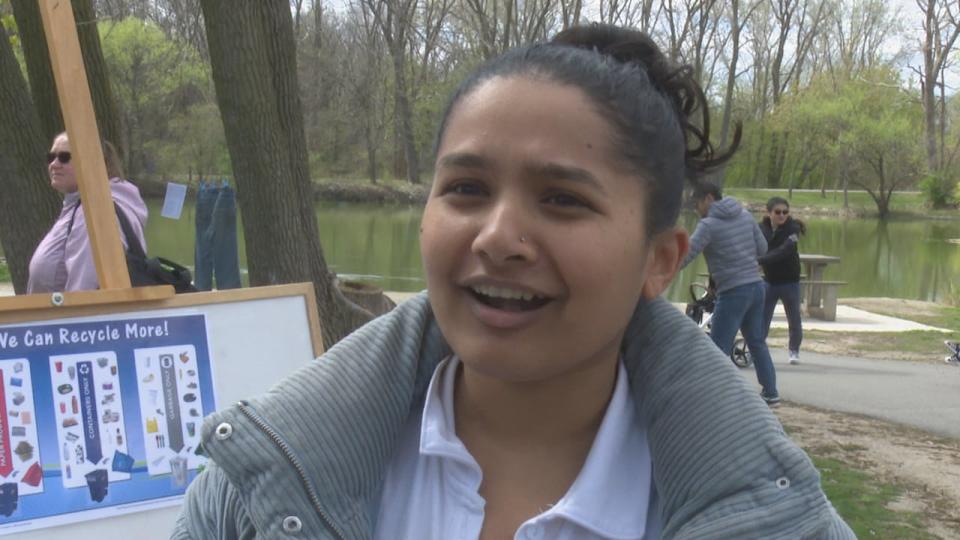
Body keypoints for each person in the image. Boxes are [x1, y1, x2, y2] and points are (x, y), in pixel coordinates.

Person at [173, 24, 852, 539]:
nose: (496, 237)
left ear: (661, 262)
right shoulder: (258, 491)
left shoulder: (781, 522)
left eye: (561, 199)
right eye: (466, 188)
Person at [680, 180, 781, 406]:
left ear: (708, 198)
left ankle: (712, 397)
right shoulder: (745, 216)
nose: (696, 209)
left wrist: (662, 271)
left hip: (734, 290)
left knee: (717, 347)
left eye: (697, 203)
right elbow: (763, 248)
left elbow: (689, 253)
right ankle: (771, 392)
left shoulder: (709, 225)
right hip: (756, 287)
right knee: (756, 342)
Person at [26, 132, 147, 293]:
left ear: (93, 162)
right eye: (51, 157)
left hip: (73, 317)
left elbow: (84, 291)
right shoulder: (84, 205)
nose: (54, 164)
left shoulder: (95, 213)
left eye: (64, 157)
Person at [759, 196, 806, 364]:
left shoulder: (793, 229)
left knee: (794, 318)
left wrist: (760, 260)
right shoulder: (761, 228)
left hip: (789, 282)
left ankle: (794, 351)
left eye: (785, 212)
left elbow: (784, 250)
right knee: (763, 317)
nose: (781, 215)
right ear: (769, 213)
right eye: (777, 212)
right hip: (769, 281)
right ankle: (758, 347)